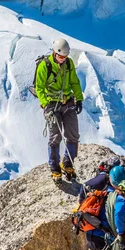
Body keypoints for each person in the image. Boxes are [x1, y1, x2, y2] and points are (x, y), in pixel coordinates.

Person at [35, 38, 84, 184]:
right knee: (55, 137)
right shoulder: (45, 66)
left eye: (65, 57)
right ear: (55, 53)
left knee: (73, 135)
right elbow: (40, 87)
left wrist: (79, 99)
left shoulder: (68, 64)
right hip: (52, 104)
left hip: (67, 101)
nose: (63, 59)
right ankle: (55, 168)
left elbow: (74, 81)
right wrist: (45, 105)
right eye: (61, 56)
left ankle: (67, 164)